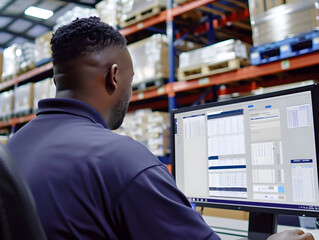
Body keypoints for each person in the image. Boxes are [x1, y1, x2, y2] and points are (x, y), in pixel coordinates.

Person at [6, 17, 314, 240]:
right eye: (130, 79)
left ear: (57, 82)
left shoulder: (14, 147)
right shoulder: (120, 160)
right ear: (114, 77)